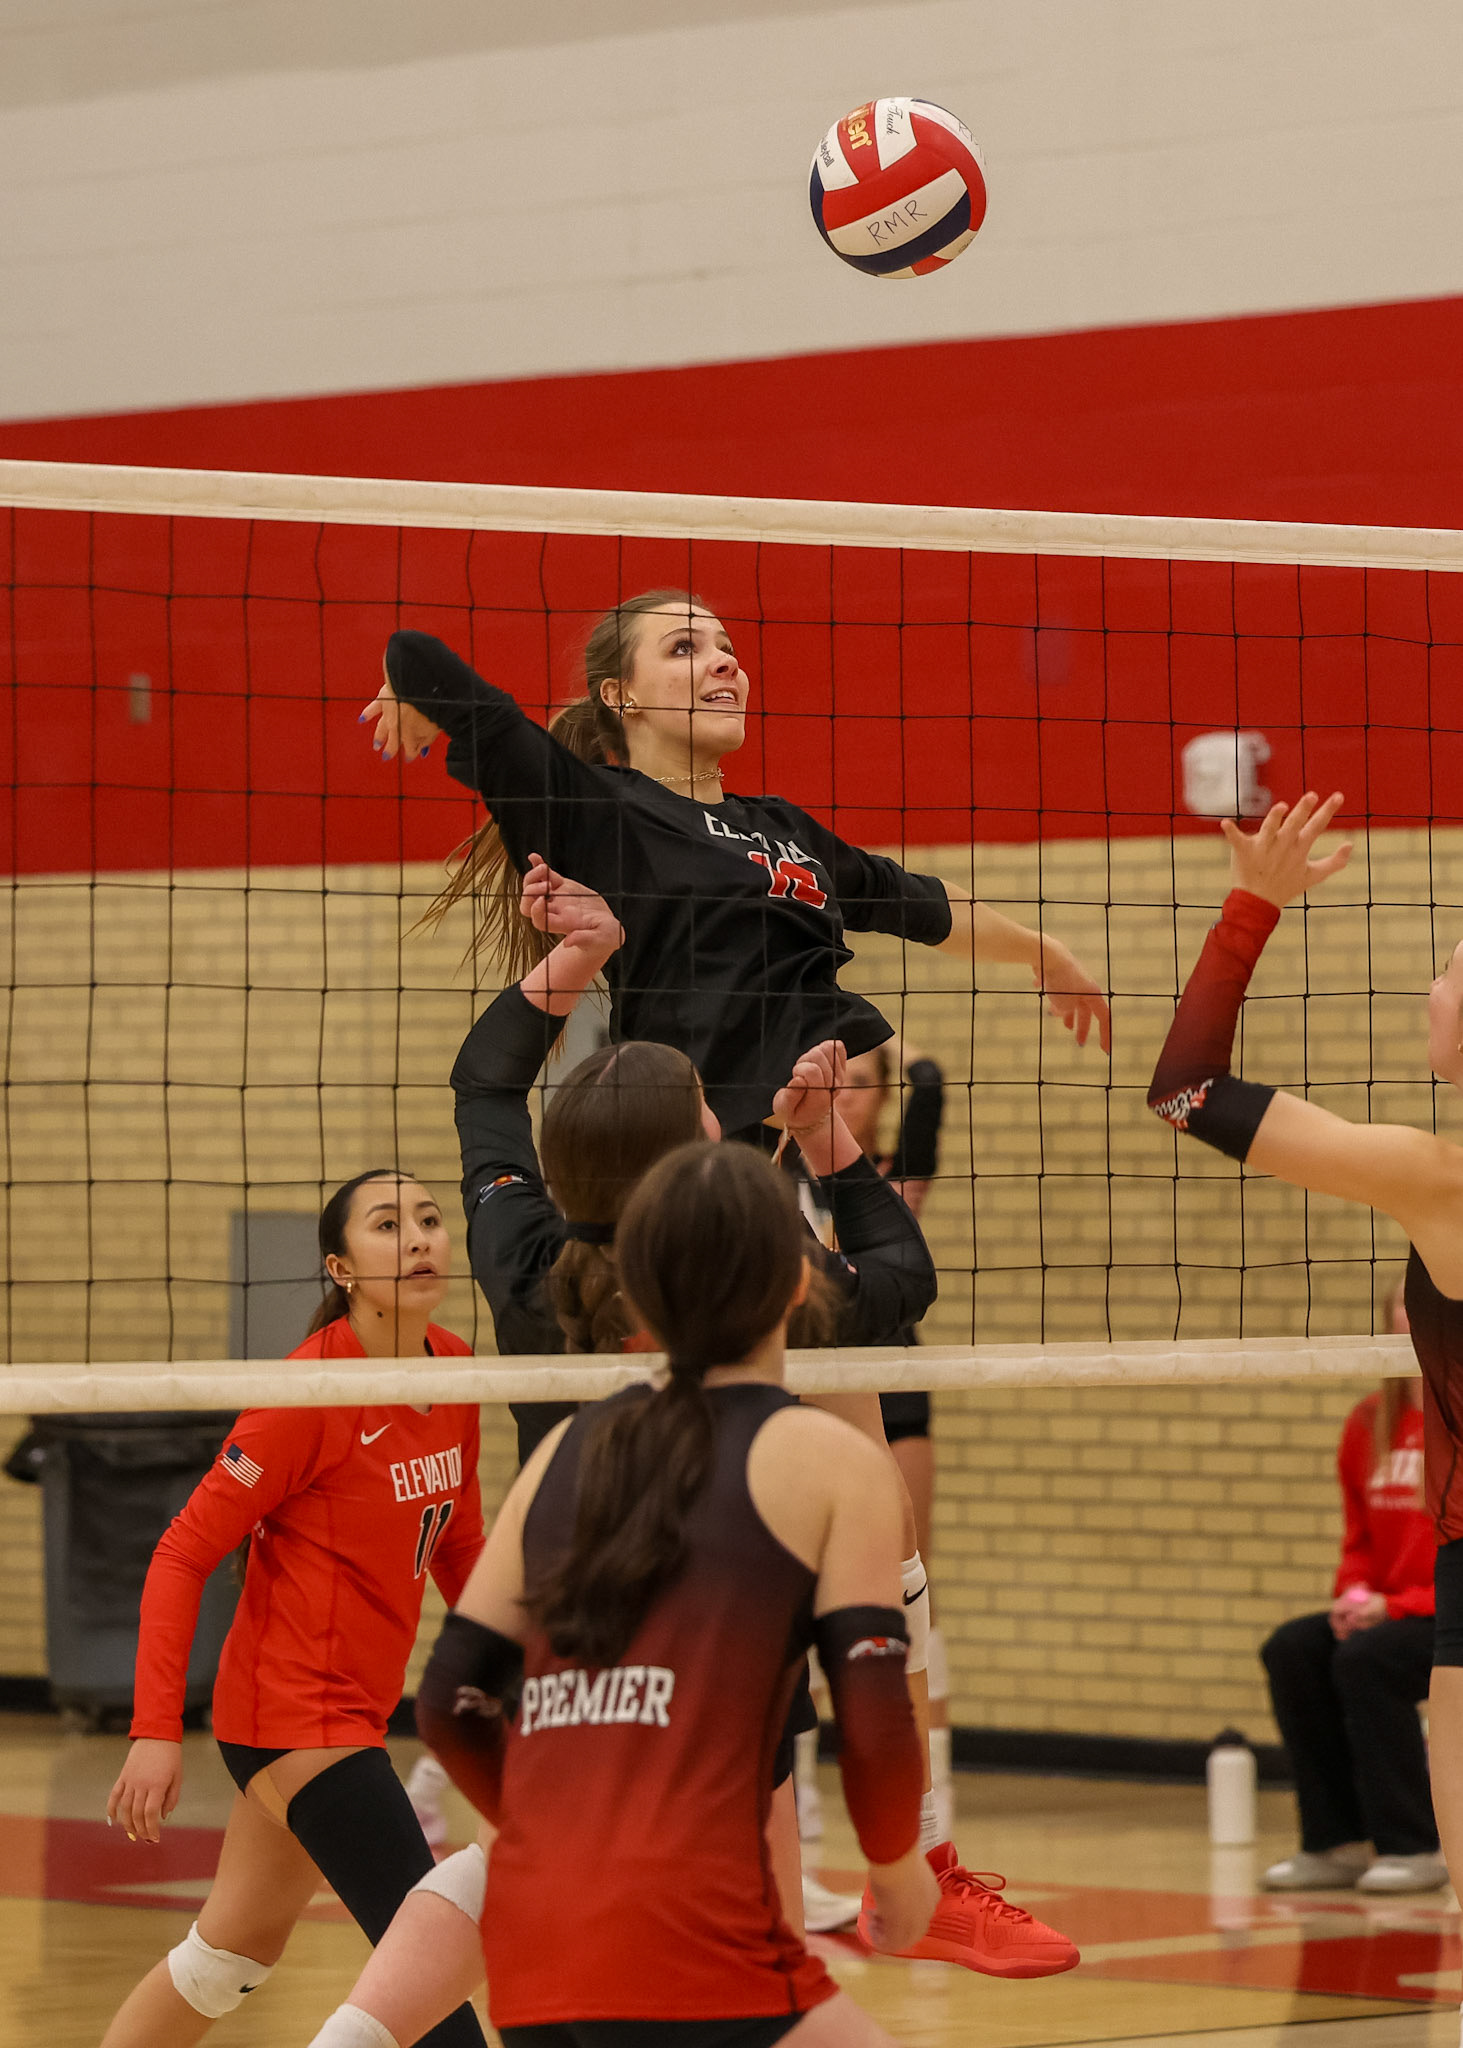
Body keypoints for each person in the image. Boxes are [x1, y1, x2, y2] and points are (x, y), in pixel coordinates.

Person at [419, 1137, 939, 2047]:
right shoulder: (833, 1463)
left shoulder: (561, 1453)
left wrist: (547, 1831)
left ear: (639, 1292)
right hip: (692, 1936)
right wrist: (898, 1869)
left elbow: (448, 1699)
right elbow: (870, 1708)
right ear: (799, 1283)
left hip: (535, 1943)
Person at [358, 591, 1110, 1138]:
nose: (725, 662)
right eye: (684, 648)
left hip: (798, 1155)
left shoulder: (782, 828)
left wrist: (1043, 951)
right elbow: (418, 653)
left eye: (726, 648)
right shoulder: (597, 809)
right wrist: (406, 686)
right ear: (620, 695)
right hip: (684, 1153)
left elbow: (918, 901)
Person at [1145, 793, 1463, 1947]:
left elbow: (1183, 1090)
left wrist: (1251, 906)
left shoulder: (1434, 1178)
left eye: (1448, 967)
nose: (1430, 986)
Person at [100, 1171, 486, 2048]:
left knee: (224, 1961)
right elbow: (182, 1552)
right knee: (429, 1983)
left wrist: (514, 1666)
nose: (419, 1238)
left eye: (430, 1219)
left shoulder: (457, 1365)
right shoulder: (306, 1394)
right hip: (297, 1716)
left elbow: (458, 1540)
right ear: (339, 1268)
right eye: (388, 1225)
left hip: (350, 1711)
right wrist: (155, 1729)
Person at [1260, 1280, 1443, 1892]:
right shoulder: (1369, 1421)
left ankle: (1414, 1845)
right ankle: (1333, 1842)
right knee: (1294, 1649)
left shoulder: (1456, 1419)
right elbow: (1358, 1537)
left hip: (1445, 1612)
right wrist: (1355, 1594)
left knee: (1369, 1662)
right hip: (1389, 1611)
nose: (1411, 1317)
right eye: (1401, 1306)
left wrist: (1397, 1606)